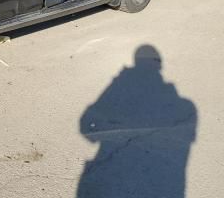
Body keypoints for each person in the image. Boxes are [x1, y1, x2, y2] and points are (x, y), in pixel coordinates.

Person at [77, 45, 197, 198]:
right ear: (159, 65)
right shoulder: (185, 105)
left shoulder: (120, 83)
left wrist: (97, 136)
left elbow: (86, 122)